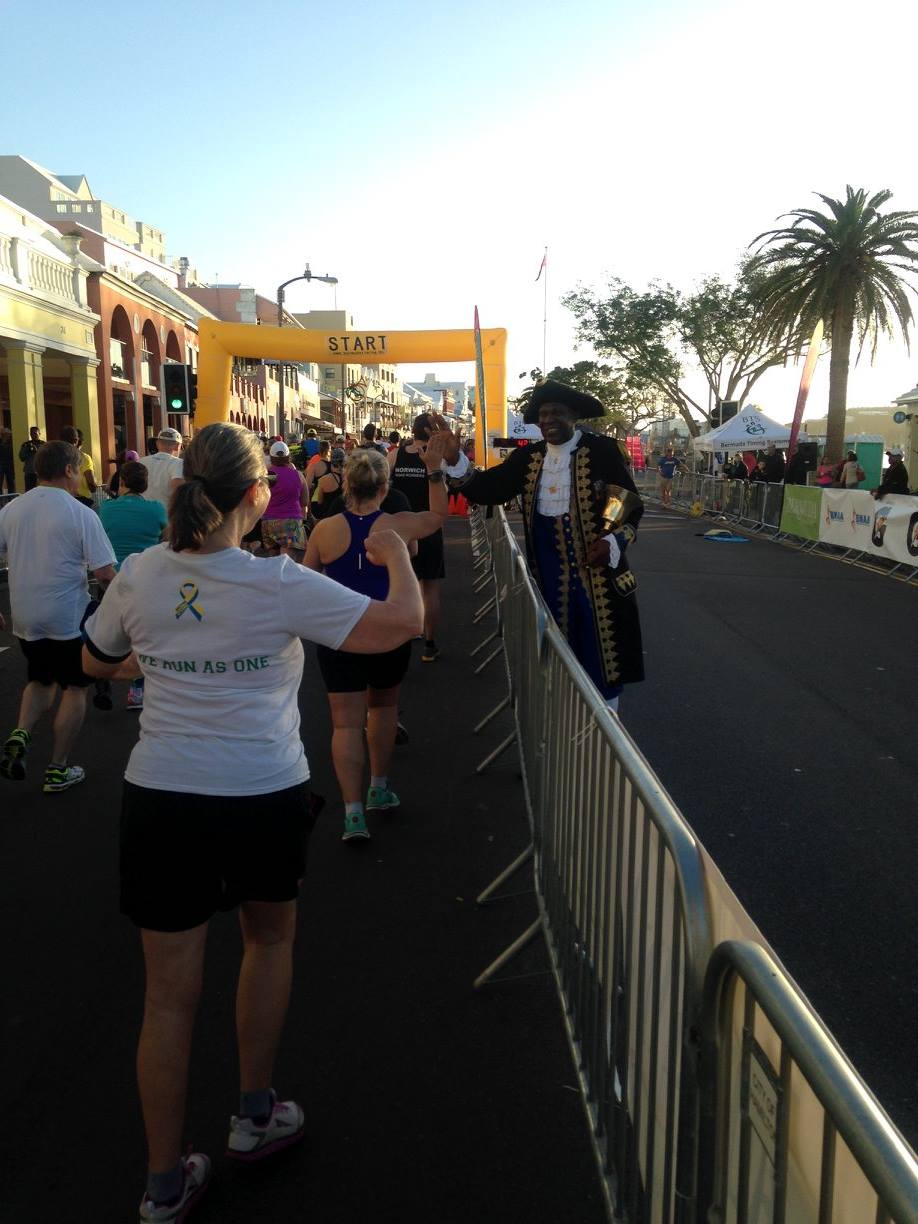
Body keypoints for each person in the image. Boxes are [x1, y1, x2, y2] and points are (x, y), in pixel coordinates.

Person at [79, 421, 422, 1223]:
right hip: (261, 793)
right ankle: (255, 1115)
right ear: (259, 496)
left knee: (166, 998)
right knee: (267, 941)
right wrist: (400, 552)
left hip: (160, 798)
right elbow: (401, 623)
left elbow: (95, 660)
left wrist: (153, 657)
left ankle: (164, 1184)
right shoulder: (276, 583)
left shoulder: (137, 576)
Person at [450, 380, 644, 714]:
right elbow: (490, 489)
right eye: (543, 414)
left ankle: (605, 728)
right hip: (550, 580)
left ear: (574, 416)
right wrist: (455, 459)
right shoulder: (529, 458)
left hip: (599, 581)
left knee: (602, 655)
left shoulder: (603, 451)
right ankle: (565, 719)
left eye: (557, 412)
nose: (549, 419)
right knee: (558, 652)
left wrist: (611, 539)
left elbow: (627, 503)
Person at [305, 440, 448, 840]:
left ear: (347, 486)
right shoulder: (397, 525)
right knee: (383, 711)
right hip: (387, 634)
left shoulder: (325, 529)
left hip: (340, 637)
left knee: (345, 725)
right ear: (384, 488)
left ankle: (352, 814)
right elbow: (439, 515)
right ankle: (378, 790)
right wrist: (434, 469)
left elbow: (306, 581)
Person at [0, 440, 116, 791]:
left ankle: (21, 734)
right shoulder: (81, 513)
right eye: (78, 469)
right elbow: (107, 573)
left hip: (25, 616)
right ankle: (58, 767)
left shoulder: (11, 510)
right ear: (68, 470)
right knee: (74, 687)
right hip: (67, 616)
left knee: (39, 679)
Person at [387, 412, 470, 662]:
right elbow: (455, 482)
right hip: (430, 525)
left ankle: (400, 636)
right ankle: (429, 644)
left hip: (401, 529)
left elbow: (384, 488)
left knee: (399, 585)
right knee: (430, 587)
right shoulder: (438, 458)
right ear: (430, 431)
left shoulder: (395, 455)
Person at [98, 461, 168, 711]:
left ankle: (102, 676)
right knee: (142, 636)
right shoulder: (157, 509)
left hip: (112, 578)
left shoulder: (106, 508)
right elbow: (167, 540)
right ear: (145, 484)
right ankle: (137, 690)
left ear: (122, 482)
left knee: (106, 631)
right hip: (146, 578)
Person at [261, 441, 308, 557]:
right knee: (287, 562)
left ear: (271, 457)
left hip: (269, 522)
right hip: (290, 523)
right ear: (288, 457)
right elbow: (305, 502)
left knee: (273, 561)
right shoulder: (298, 475)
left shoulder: (268, 475)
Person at [140, 427, 185, 509]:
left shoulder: (141, 462)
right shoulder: (178, 463)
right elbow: (179, 491)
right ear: (177, 446)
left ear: (157, 444)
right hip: (166, 514)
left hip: (143, 512)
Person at [60, 425, 97, 506]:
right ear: (76, 441)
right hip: (82, 500)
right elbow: (91, 482)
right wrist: (94, 487)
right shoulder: (84, 457)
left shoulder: (56, 457)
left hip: (62, 499)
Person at [312, 447, 346, 520]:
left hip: (328, 517)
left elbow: (320, 501)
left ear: (331, 461)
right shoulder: (349, 478)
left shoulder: (324, 479)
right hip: (344, 517)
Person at [19, 425, 43, 491]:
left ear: (39, 434)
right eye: (32, 433)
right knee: (29, 491)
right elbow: (21, 458)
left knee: (40, 491)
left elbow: (47, 457)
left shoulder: (43, 444)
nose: (33, 435)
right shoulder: (26, 445)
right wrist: (26, 450)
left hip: (40, 472)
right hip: (29, 472)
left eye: (35, 433)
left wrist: (37, 450)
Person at [1, 427, 16, 493]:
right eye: (7, 434)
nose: (8, 436)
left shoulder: (12, 443)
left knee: (11, 482)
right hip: (1, 465)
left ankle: (11, 498)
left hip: (10, 465)